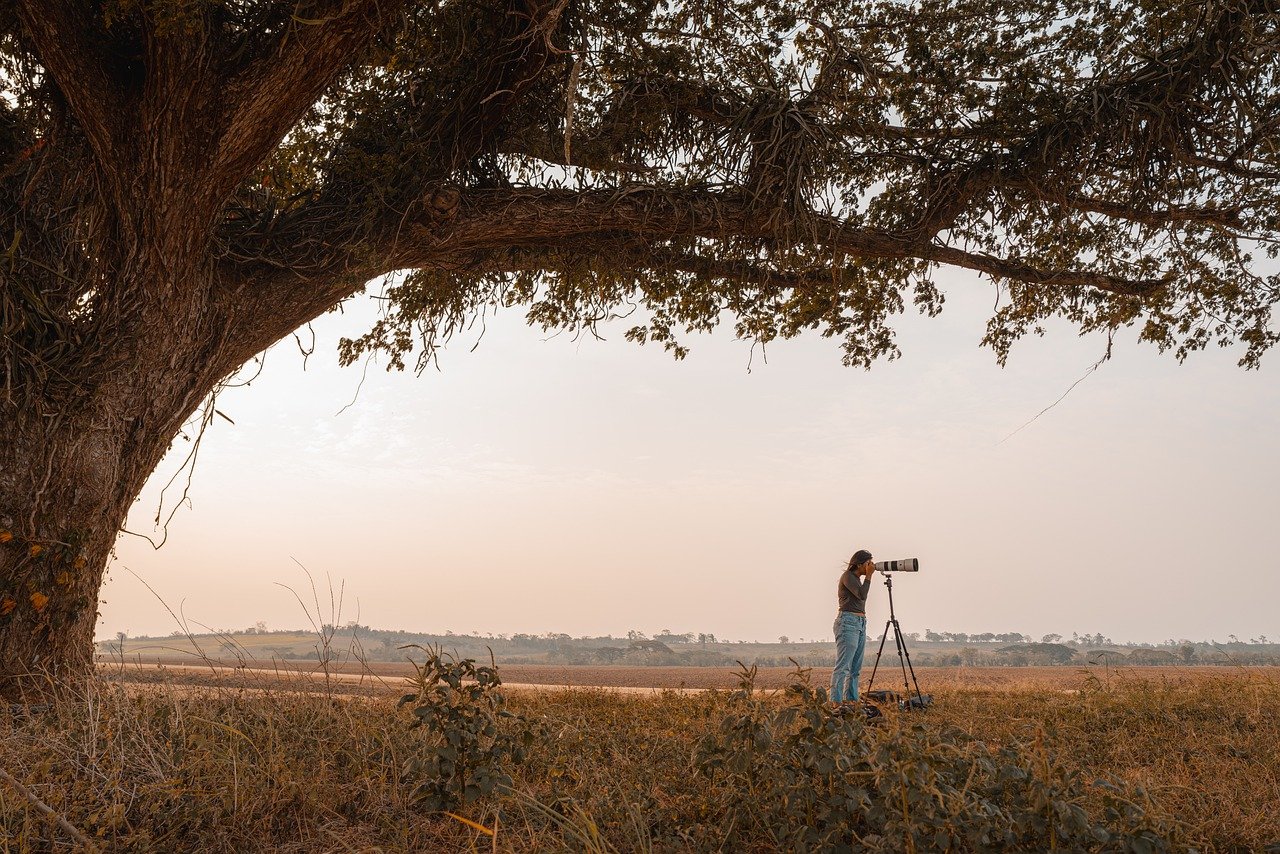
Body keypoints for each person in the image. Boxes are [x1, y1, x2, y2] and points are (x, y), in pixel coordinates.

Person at [831, 549, 875, 704]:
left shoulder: (857, 579)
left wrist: (868, 575)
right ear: (858, 564)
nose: (870, 566)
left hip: (860, 623)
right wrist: (869, 576)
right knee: (843, 667)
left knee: (855, 668)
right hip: (847, 622)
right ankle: (835, 703)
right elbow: (862, 595)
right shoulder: (848, 577)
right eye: (867, 563)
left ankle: (851, 702)